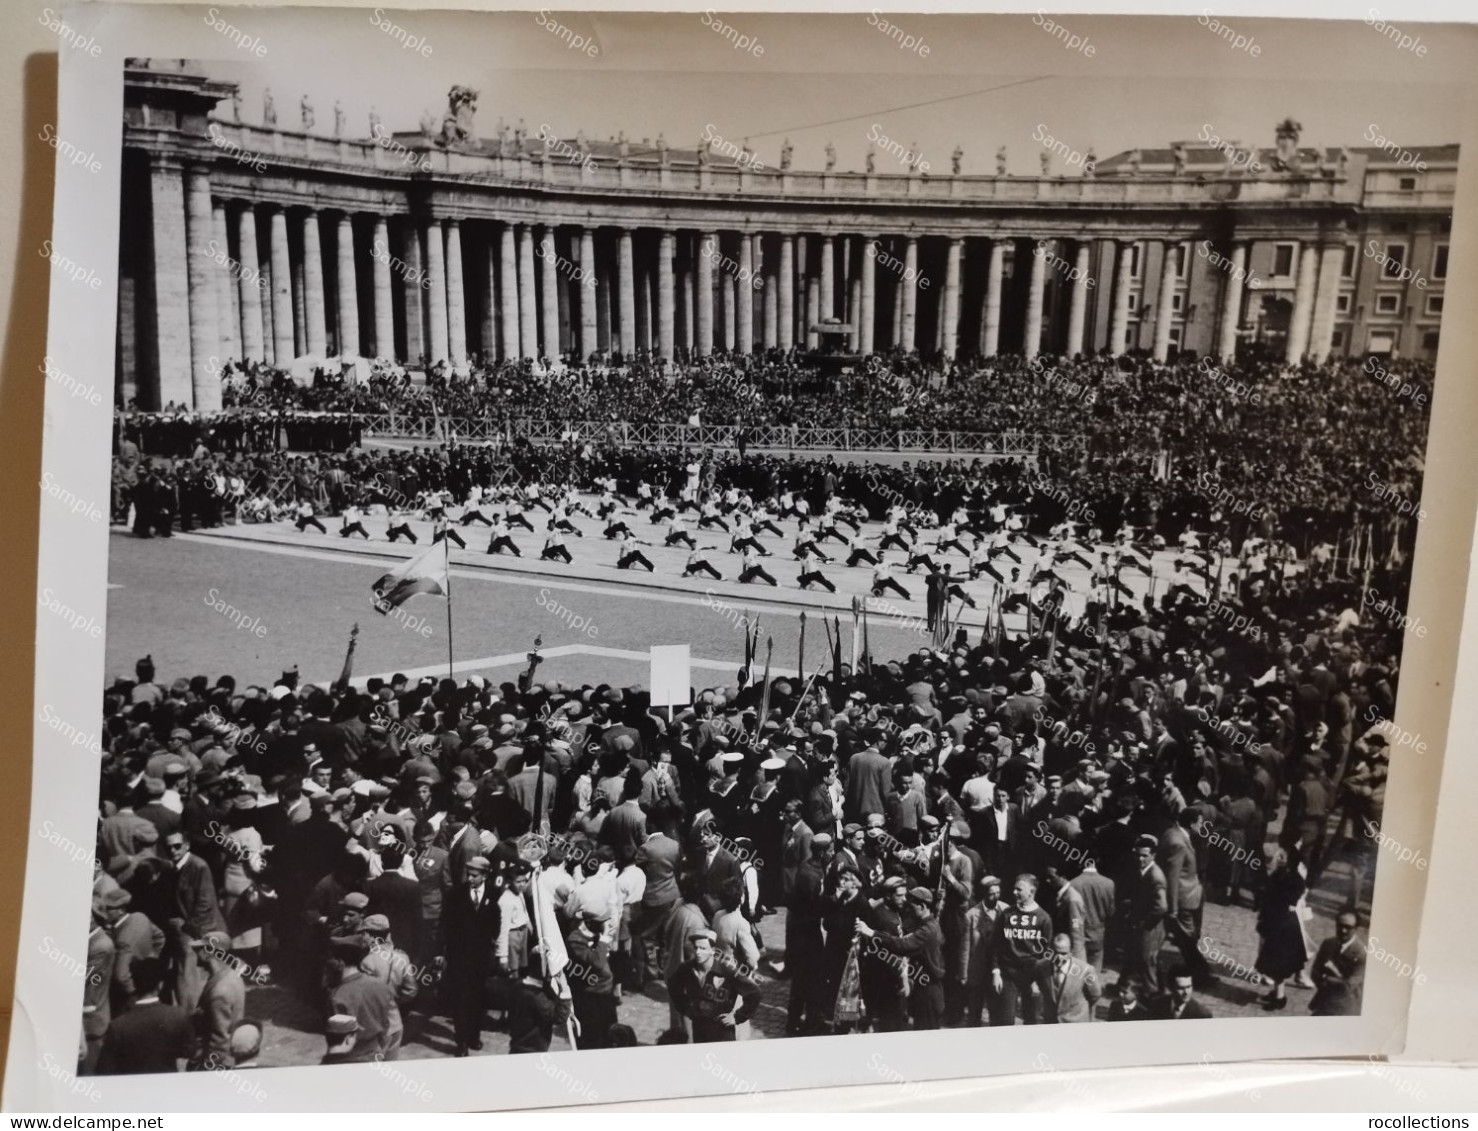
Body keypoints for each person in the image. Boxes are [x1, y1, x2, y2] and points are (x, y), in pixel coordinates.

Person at [855, 886, 944, 1030]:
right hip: (927, 989)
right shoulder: (928, 924)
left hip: (929, 993)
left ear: (922, 906)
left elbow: (902, 945)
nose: (908, 908)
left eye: (912, 905)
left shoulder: (927, 930)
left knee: (926, 1037)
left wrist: (871, 933)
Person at [441, 854, 499, 1056]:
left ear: (485, 875)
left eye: (475, 875)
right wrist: (444, 951)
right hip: (459, 957)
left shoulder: (494, 894)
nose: (471, 879)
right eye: (469, 875)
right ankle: (461, 1042)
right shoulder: (456, 894)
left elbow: (496, 924)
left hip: (481, 958)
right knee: (460, 999)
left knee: (477, 999)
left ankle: (474, 1035)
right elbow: (446, 924)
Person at [96, 957, 193, 1074]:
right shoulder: (179, 1016)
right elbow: (189, 1052)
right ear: (160, 985)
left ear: (134, 984)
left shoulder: (117, 1026)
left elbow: (103, 1069)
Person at [668, 929, 759, 1043]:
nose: (697, 952)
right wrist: (685, 1007)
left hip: (722, 1031)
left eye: (703, 948)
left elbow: (754, 993)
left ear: (713, 950)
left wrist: (737, 1017)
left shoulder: (727, 970)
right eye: (696, 948)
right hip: (699, 1029)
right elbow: (673, 985)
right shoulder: (687, 968)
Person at [988, 873, 1054, 1026]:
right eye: (1014, 889)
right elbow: (995, 946)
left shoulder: (1044, 918)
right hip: (1008, 974)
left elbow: (1046, 953)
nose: (1014, 892)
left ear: (1031, 891)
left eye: (1019, 890)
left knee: (1032, 1020)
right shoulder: (1006, 914)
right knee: (1005, 1020)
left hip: (1032, 976)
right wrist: (996, 972)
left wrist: (1038, 981)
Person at [1255, 847, 1308, 1011]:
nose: (1279, 858)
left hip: (1281, 924)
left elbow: (1280, 899)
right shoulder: (1286, 877)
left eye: (1283, 857)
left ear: (1291, 861)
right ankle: (1277, 993)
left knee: (1278, 964)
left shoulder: (1289, 879)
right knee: (1276, 962)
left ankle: (1279, 998)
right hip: (1281, 922)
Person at [1122, 833, 1169, 997]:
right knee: (1140, 958)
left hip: (1151, 929)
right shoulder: (1144, 870)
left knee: (1148, 962)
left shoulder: (1155, 876)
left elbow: (1161, 907)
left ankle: (1152, 996)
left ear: (1153, 855)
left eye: (1144, 856)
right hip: (1142, 924)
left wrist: (1145, 923)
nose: (1140, 859)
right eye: (1138, 855)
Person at [566, 910, 617, 1049]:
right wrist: (604, 938)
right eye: (602, 922)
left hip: (606, 992)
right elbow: (597, 963)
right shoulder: (576, 940)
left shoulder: (598, 935)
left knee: (610, 1035)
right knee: (592, 1039)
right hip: (590, 996)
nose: (607, 925)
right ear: (589, 923)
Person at [1035, 932, 1101, 1023]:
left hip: (1075, 1023)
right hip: (1051, 1022)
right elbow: (1040, 986)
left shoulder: (1085, 970)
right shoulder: (1041, 967)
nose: (1059, 957)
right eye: (1055, 952)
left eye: (1063, 953)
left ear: (1071, 952)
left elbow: (1095, 995)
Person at [1309, 911, 1365, 1016]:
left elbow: (1347, 986)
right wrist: (1335, 980)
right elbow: (1315, 973)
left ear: (1356, 929)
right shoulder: (1328, 944)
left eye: (1348, 927)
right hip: (1324, 1002)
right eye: (1340, 925)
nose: (1343, 930)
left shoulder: (1362, 954)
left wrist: (1325, 978)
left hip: (1346, 1008)